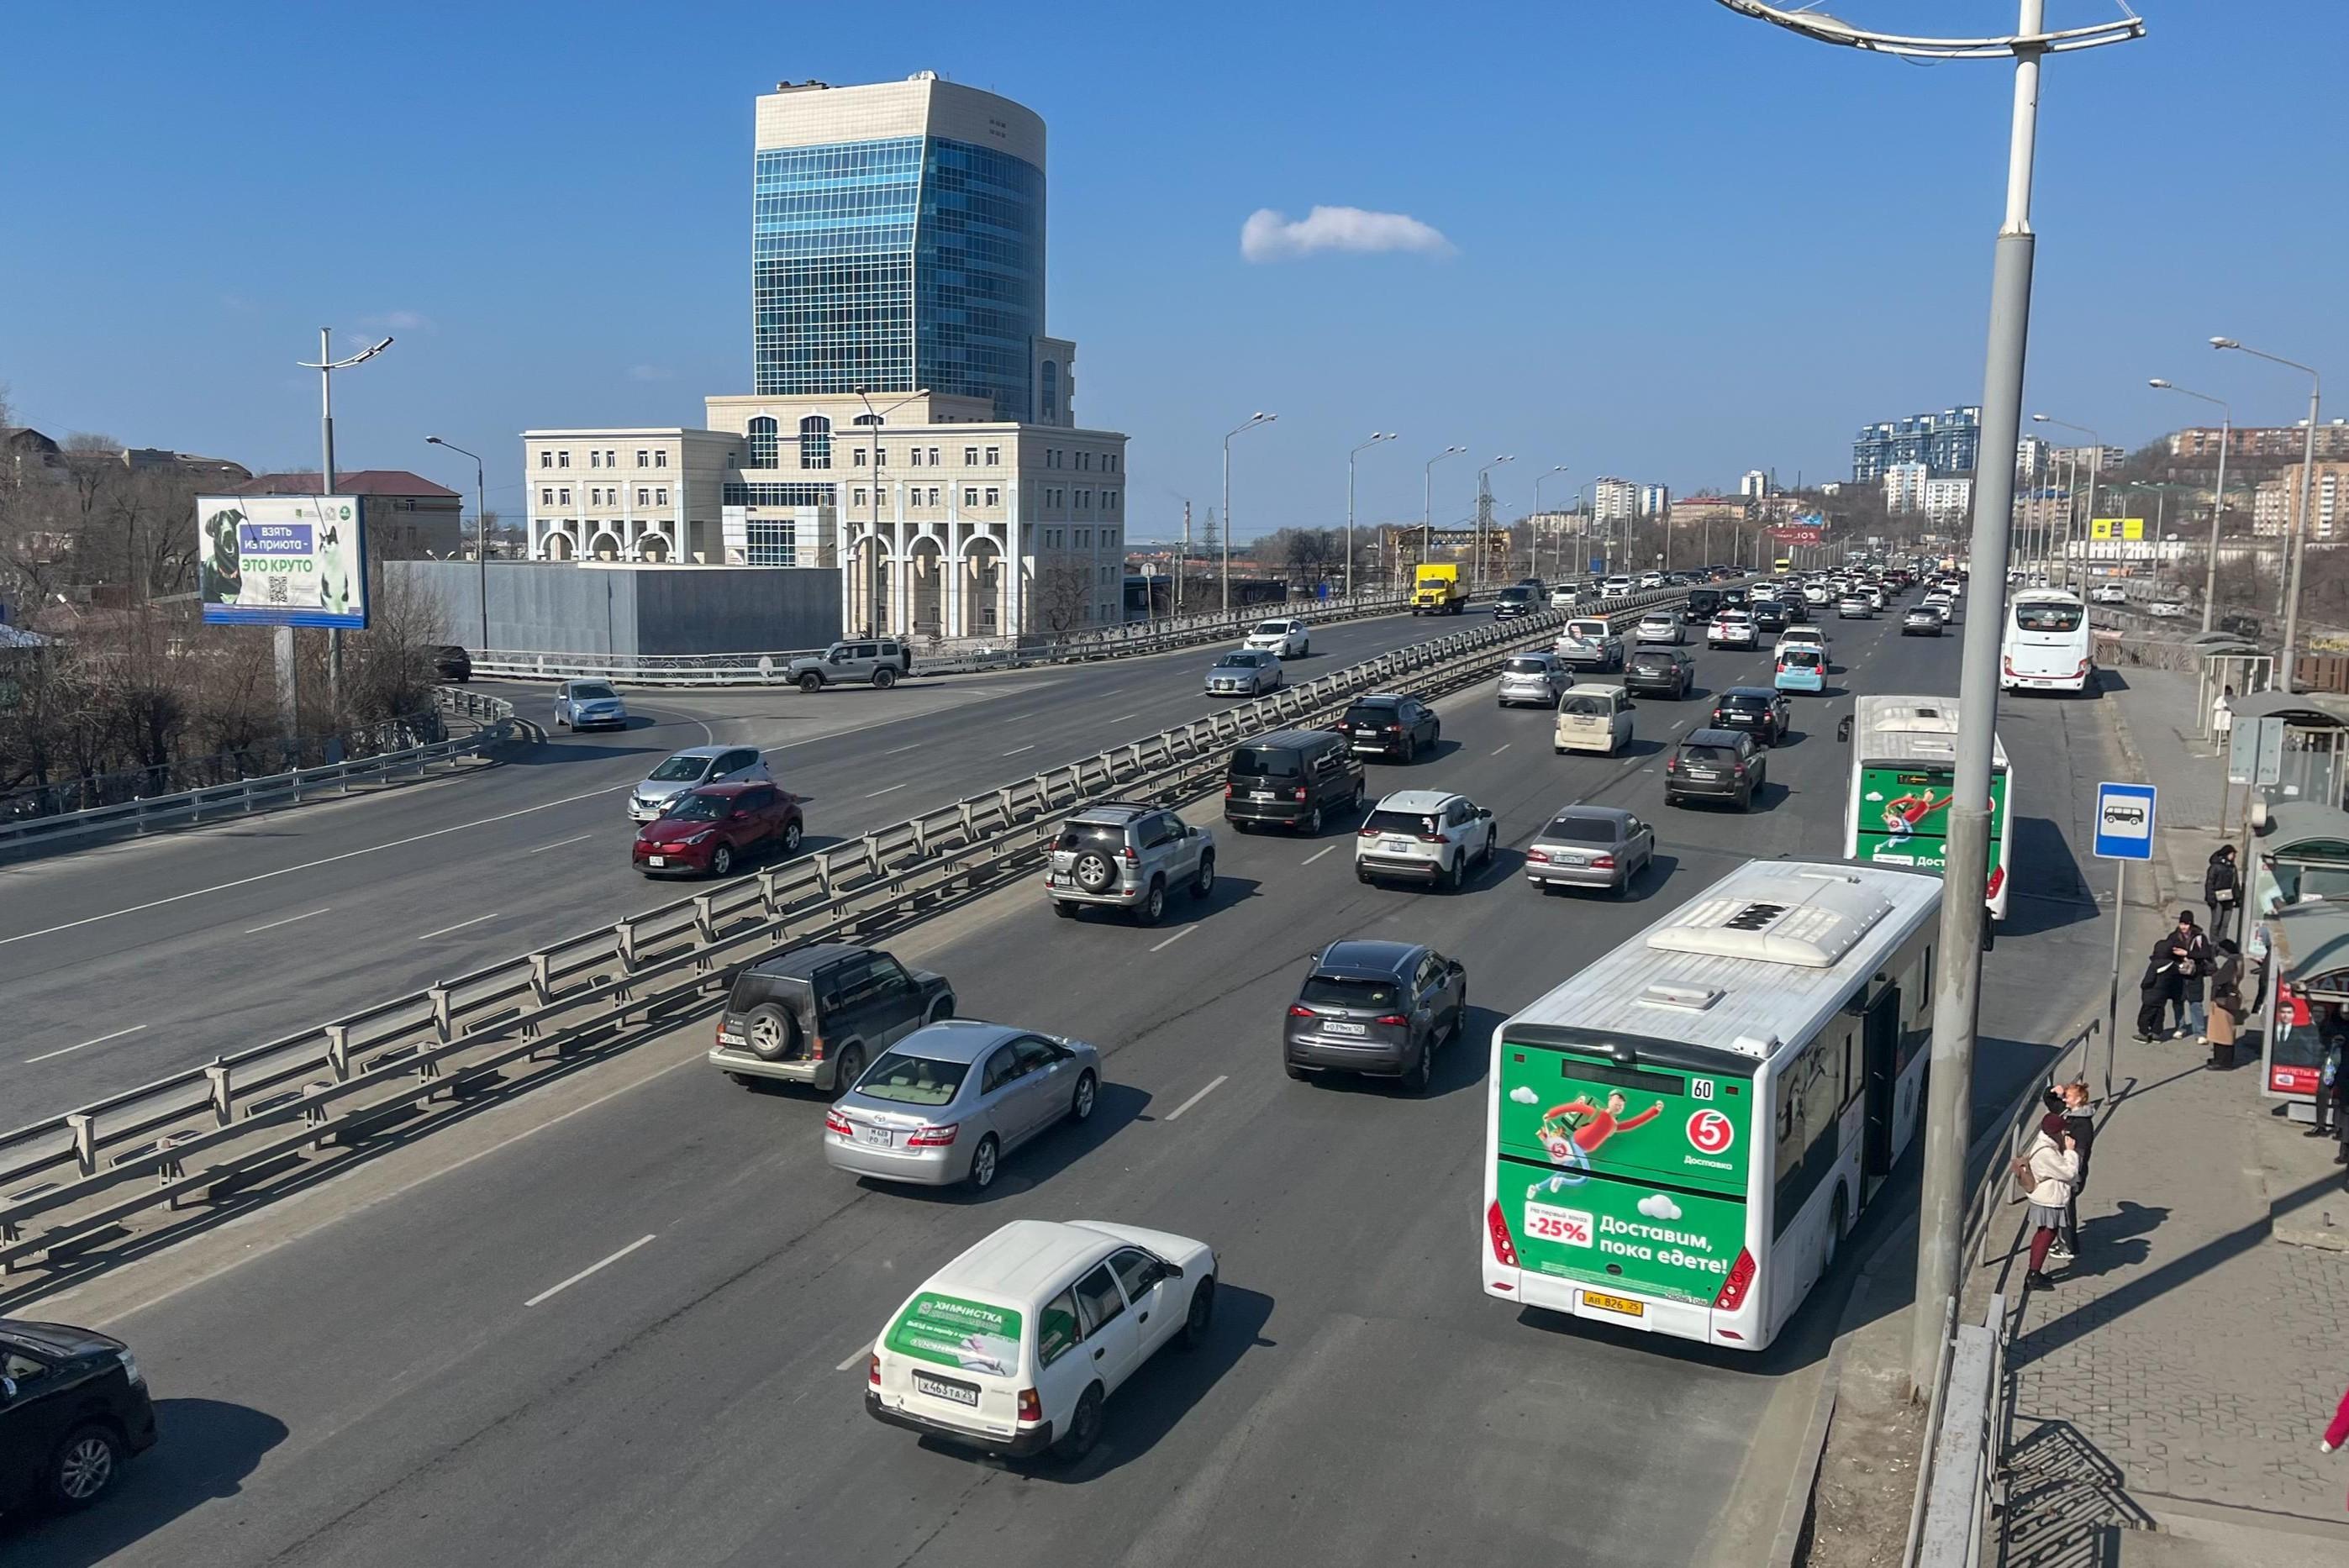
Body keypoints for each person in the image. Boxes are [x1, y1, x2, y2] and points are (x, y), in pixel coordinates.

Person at [2023, 1112, 2083, 1291]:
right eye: (2063, 1130)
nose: (2065, 1133)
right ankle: (2033, 1275)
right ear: (2055, 1132)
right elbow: (2068, 1173)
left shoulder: (2046, 1145)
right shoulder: (2047, 1153)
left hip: (2048, 1197)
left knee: (2046, 1232)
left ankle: (2034, 1272)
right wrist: (2070, 1152)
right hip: (2048, 1199)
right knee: (2046, 1234)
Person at [2041, 1080, 2096, 1261]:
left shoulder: (2083, 1125)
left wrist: (2074, 1176)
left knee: (2066, 1208)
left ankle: (2070, 1247)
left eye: (2068, 1097)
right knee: (2061, 1206)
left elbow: (2081, 1153)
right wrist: (2053, 1091)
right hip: (2063, 1169)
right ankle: (2063, 1242)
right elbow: (2049, 1100)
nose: (2064, 1100)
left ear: (2079, 1099)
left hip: (2072, 1173)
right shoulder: (2067, 1112)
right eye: (2065, 1096)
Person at [2135, 925, 2188, 1044]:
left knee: (2145, 1015)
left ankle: (2144, 1033)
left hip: (2150, 994)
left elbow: (2148, 980)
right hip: (2162, 995)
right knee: (2159, 1014)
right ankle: (2156, 1034)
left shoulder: (2155, 964)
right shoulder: (2173, 965)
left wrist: (2144, 986)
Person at [2173, 914, 2213, 1040]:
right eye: (2181, 924)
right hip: (2179, 974)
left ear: (2191, 924)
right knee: (2178, 1002)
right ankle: (2180, 1028)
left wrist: (2188, 954)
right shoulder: (2174, 936)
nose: (2183, 927)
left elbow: (2206, 954)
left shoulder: (2200, 937)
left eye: (2186, 924)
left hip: (2195, 975)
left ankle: (2200, 1033)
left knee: (2196, 1003)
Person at [2208, 939, 2245, 1070]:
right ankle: (2220, 1059)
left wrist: (2214, 970)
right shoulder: (2238, 960)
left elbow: (2218, 979)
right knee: (2224, 1031)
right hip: (2230, 998)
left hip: (2223, 998)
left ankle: (2222, 1062)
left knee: (2222, 1032)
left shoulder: (2231, 963)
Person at [2205, 845, 2242, 944]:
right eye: (2232, 854)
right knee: (2216, 922)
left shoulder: (2232, 867)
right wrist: (2211, 899)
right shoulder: (2215, 867)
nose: (2234, 856)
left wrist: (2237, 898)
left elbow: (2235, 884)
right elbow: (2209, 883)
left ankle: (2222, 942)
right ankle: (2214, 942)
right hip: (2217, 899)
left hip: (2229, 898)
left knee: (2225, 923)